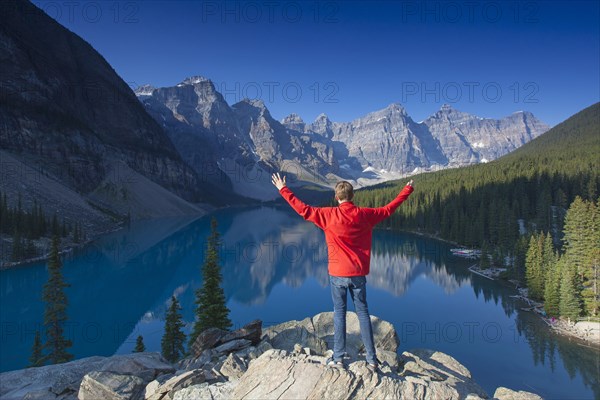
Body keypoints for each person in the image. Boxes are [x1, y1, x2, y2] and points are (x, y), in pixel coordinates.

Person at [271, 173, 414, 370]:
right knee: (363, 313)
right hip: (357, 275)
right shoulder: (365, 214)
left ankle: (338, 358)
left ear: (337, 197)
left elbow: (303, 209)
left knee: (339, 313)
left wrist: (283, 189)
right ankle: (372, 360)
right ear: (352, 196)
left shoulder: (328, 215)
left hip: (337, 274)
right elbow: (389, 209)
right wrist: (406, 190)